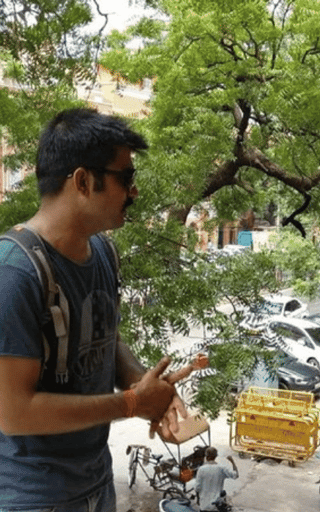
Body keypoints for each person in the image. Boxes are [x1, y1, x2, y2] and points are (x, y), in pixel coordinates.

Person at [0, 108, 186, 510]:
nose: (134, 192)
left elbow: (106, 338)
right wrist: (133, 404)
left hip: (97, 484)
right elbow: (14, 412)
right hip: (33, 498)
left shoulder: (104, 251)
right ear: (84, 181)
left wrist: (147, 386)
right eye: (126, 178)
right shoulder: (14, 275)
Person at [195, 447, 239, 511]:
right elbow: (236, 475)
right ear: (215, 456)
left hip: (204, 505)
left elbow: (197, 487)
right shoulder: (221, 468)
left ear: (206, 457)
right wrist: (232, 462)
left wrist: (198, 500)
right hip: (216, 506)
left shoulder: (201, 469)